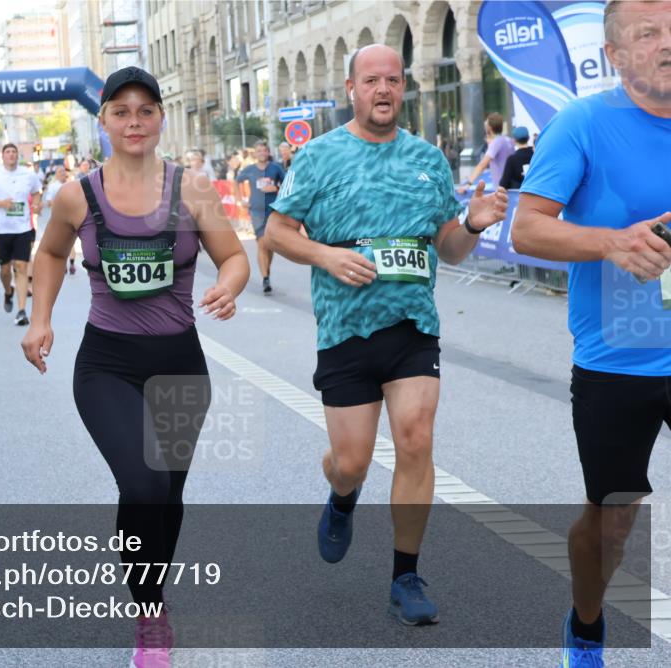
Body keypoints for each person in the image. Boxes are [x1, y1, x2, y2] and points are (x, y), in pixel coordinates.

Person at [265, 44, 507, 626]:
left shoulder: (427, 158)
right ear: (351, 88)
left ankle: (405, 575)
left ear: (404, 88)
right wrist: (326, 256)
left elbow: (446, 245)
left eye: (392, 80)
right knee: (351, 461)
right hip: (346, 330)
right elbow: (276, 231)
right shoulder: (320, 156)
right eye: (371, 80)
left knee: (416, 438)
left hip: (412, 326)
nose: (382, 90)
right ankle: (342, 495)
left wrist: (471, 224)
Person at [20, 65, 249, 668]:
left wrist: (228, 285)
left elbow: (233, 257)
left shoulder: (192, 189)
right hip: (107, 365)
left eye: (145, 110)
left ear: (160, 118)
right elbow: (48, 253)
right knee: (141, 483)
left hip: (179, 364)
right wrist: (40, 318)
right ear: (104, 122)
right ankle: (149, 614)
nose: (134, 121)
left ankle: (155, 595)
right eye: (121, 111)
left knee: (169, 496)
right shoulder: (78, 194)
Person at [511, 2, 671, 665]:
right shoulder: (583, 123)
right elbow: (526, 228)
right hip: (619, 363)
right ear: (615, 55)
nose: (669, 44)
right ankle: (585, 624)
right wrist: (612, 242)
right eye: (650, 33)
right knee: (613, 518)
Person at [0, 143, 43, 325]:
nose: (11, 155)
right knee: (5, 270)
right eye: (8, 152)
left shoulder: (28, 175)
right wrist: (1, 204)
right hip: (0, 228)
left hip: (22, 227)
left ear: (18, 156)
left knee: (21, 267)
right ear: (2, 156)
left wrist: (36, 204)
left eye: (14, 152)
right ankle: (8, 291)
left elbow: (37, 192)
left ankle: (22, 311)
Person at [236, 140, 286, 293]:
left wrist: (276, 187)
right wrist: (240, 200)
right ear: (255, 154)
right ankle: (265, 278)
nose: (262, 153)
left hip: (273, 211)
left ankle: (266, 272)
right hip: (256, 211)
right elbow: (236, 181)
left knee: (269, 245)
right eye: (259, 151)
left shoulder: (276, 168)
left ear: (268, 152)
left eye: (264, 150)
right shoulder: (249, 169)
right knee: (262, 243)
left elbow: (288, 184)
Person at [457, 112, 514, 193]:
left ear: (489, 127)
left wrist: (468, 184)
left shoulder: (496, 142)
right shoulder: (509, 140)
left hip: (500, 188)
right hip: (511, 187)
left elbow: (482, 164)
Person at [38, 165, 77, 275]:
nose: (62, 173)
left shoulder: (72, 184)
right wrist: (60, 207)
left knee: (71, 241)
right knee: (62, 242)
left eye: (63, 171)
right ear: (56, 174)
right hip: (58, 218)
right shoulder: (53, 186)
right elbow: (49, 201)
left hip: (72, 216)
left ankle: (72, 263)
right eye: (59, 172)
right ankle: (63, 264)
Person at [498, 126, 534, 191]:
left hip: (518, 198)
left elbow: (503, 183)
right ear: (528, 138)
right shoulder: (535, 155)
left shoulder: (512, 159)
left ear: (514, 141)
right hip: (536, 195)